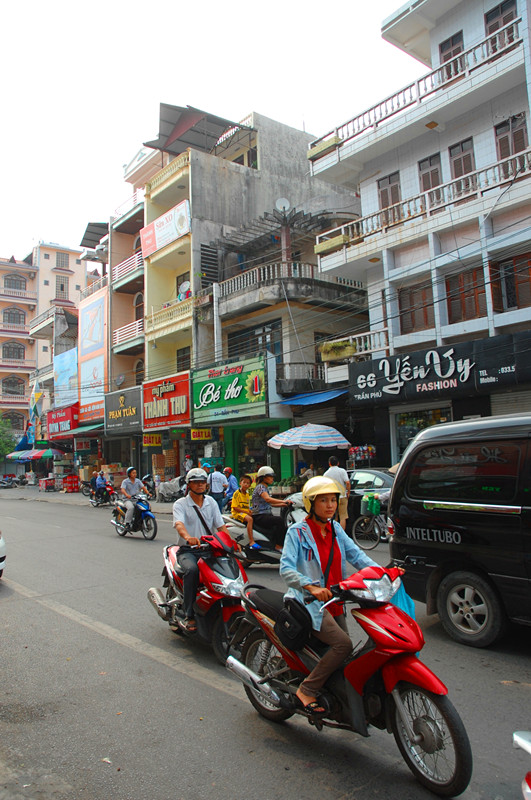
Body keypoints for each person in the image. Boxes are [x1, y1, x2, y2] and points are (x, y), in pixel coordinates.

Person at [280, 476, 377, 714]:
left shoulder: (335, 529)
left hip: (334, 601)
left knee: (346, 655)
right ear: (311, 504)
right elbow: (286, 568)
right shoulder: (298, 532)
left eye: (333, 500)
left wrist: (382, 573)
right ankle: (308, 689)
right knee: (343, 645)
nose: (331, 505)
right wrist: (309, 586)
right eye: (324, 500)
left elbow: (357, 556)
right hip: (310, 603)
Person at [172, 467, 240, 632]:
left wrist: (230, 543)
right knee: (192, 571)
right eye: (196, 483)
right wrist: (188, 537)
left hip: (209, 550)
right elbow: (179, 524)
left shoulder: (211, 502)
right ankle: (189, 614)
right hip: (189, 551)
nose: (200, 485)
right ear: (189, 484)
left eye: (202, 482)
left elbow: (220, 526)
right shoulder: (180, 504)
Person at [251, 466, 292, 551]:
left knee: (278, 526)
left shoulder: (265, 488)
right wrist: (284, 501)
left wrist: (284, 505)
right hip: (259, 516)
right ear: (263, 477)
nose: (272, 479)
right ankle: (279, 546)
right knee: (280, 520)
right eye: (270, 476)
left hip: (265, 515)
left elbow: (270, 504)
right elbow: (268, 499)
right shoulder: (260, 487)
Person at [231, 474, 258, 548]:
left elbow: (246, 506)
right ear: (240, 483)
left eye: (248, 483)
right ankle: (251, 541)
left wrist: (250, 511)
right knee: (250, 519)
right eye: (244, 482)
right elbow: (235, 507)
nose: (246, 484)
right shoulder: (237, 493)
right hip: (237, 513)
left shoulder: (247, 494)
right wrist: (246, 512)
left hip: (244, 512)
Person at [323, 455, 351, 530]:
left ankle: (334, 534)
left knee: (333, 516)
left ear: (329, 463)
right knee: (343, 517)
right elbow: (347, 482)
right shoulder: (342, 471)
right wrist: (348, 492)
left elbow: (324, 486)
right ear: (338, 463)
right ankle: (341, 535)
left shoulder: (326, 474)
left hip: (332, 498)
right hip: (342, 496)